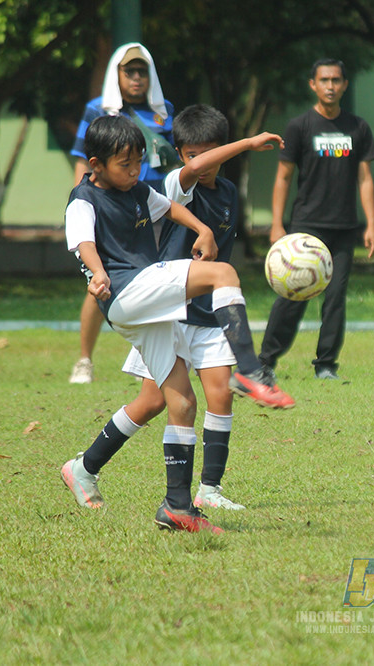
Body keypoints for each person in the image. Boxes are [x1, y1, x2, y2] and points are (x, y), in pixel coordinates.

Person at [60, 114, 290, 533]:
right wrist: (98, 272)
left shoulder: (137, 191)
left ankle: (176, 507)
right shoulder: (83, 200)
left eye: (138, 162)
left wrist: (203, 229)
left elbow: (169, 209)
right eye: (125, 164)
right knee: (223, 274)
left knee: (181, 402)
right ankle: (251, 371)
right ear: (95, 164)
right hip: (127, 292)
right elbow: (84, 242)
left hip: (147, 307)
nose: (134, 171)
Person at [258, 58, 374, 381]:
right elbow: (283, 177)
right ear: (313, 84)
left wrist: (372, 223)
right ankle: (265, 362)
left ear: (345, 85)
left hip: (343, 229)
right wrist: (277, 224)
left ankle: (325, 365)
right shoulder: (300, 126)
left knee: (335, 298)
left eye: (336, 80)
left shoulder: (358, 127)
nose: (330, 86)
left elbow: (365, 178)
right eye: (324, 80)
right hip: (306, 228)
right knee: (292, 296)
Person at [68, 42, 176, 384]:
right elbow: (82, 160)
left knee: (156, 282)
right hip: (110, 210)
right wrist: (81, 205)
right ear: (116, 74)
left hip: (152, 207)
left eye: (142, 71)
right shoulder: (98, 108)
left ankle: (149, 363)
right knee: (102, 280)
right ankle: (84, 359)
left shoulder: (163, 111)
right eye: (129, 71)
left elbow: (173, 160)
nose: (136, 78)